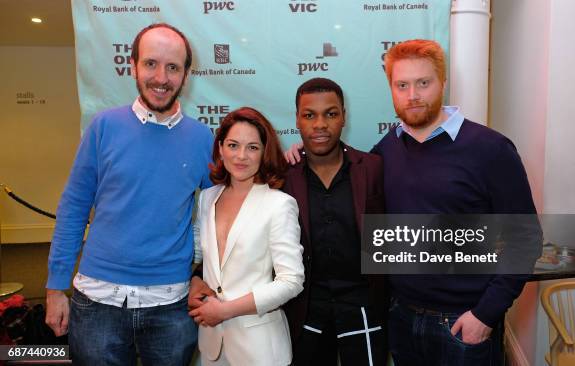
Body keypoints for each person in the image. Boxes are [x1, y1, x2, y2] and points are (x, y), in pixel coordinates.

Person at [285, 40, 541, 365]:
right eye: (401, 85)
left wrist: (485, 314)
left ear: (443, 83)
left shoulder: (491, 150)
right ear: (391, 87)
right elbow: (340, 165)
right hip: (400, 319)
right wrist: (299, 153)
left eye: (423, 83)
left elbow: (525, 238)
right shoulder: (386, 152)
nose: (413, 95)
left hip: (464, 323)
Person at [45, 23, 215, 365]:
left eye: (173, 67)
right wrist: (54, 287)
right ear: (133, 64)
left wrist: (201, 278)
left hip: (171, 304)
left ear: (186, 75)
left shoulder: (203, 140)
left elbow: (221, 218)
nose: (161, 77)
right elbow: (74, 208)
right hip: (97, 301)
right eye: (151, 63)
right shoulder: (103, 127)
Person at [282, 78, 388, 366]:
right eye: (309, 115)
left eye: (330, 114)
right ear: (297, 120)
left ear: (344, 117)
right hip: (305, 307)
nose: (320, 124)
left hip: (364, 304)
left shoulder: (374, 168)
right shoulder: (282, 176)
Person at [189, 107, 305, 366]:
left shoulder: (279, 204)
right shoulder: (208, 198)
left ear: (265, 152)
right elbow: (200, 256)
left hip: (260, 349)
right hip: (212, 344)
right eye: (233, 145)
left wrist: (224, 310)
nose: (241, 156)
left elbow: (292, 281)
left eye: (252, 147)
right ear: (220, 148)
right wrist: (193, 282)